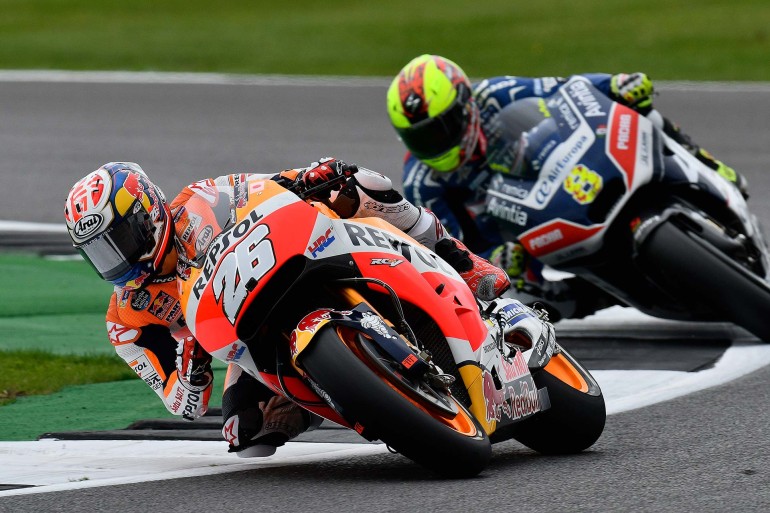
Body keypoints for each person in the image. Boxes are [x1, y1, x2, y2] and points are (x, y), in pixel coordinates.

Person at [63, 159, 510, 457]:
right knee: (244, 431)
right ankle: (359, 395)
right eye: (100, 252)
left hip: (296, 257)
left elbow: (266, 187)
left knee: (361, 184)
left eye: (119, 240)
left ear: (147, 213)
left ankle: (461, 261)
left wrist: (310, 176)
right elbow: (185, 404)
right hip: (248, 336)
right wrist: (191, 366)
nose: (117, 260)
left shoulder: (198, 200)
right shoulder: (126, 319)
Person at [386, 54, 748, 320]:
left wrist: (614, 84)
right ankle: (602, 293)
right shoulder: (424, 183)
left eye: (441, 128)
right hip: (520, 242)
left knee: (638, 106)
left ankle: (708, 165)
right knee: (524, 303)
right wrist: (493, 258)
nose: (435, 144)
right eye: (421, 138)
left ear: (466, 106)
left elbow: (569, 89)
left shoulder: (496, 93)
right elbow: (447, 251)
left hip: (559, 181)